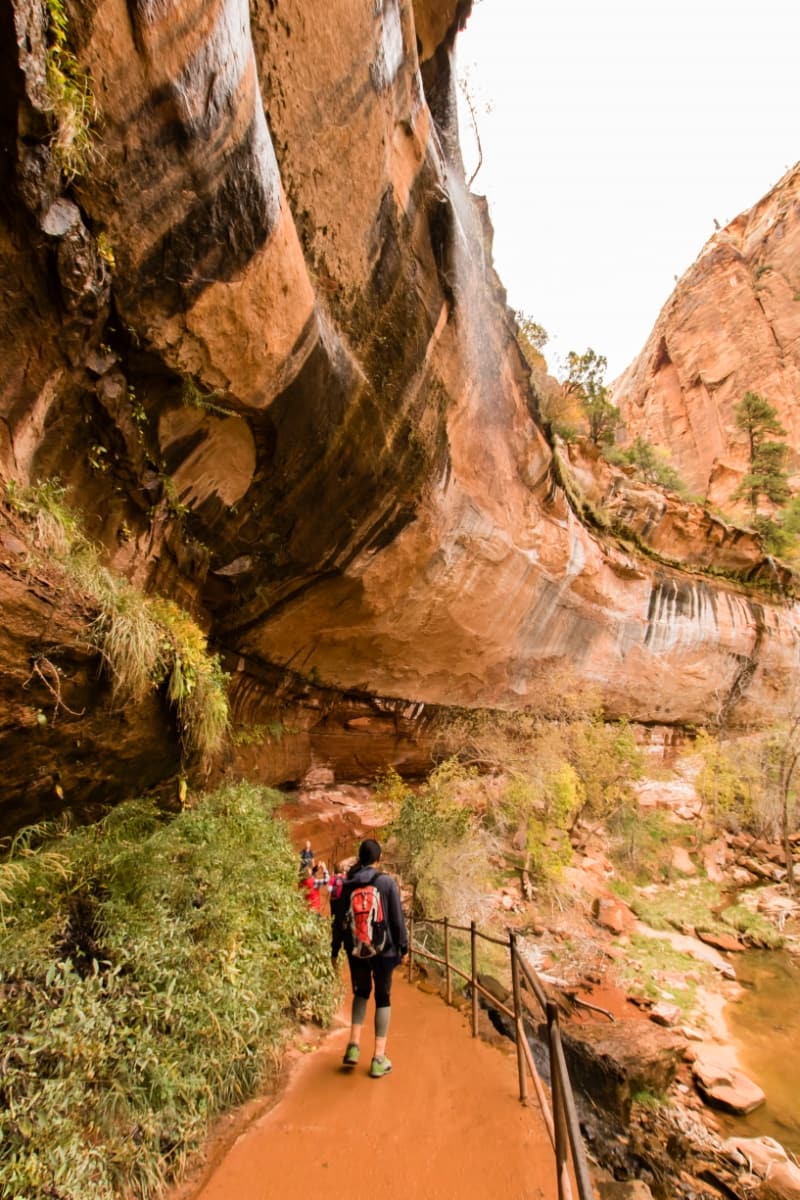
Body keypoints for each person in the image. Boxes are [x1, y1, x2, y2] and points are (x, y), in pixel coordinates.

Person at [331, 838, 407, 1079]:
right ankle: (378, 1059)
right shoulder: (386, 883)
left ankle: (353, 1046)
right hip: (384, 951)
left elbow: (339, 921)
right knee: (383, 998)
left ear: (359, 858)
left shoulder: (348, 884)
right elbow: (397, 920)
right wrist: (403, 949)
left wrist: (335, 950)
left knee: (361, 993)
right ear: (378, 859)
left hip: (356, 949)